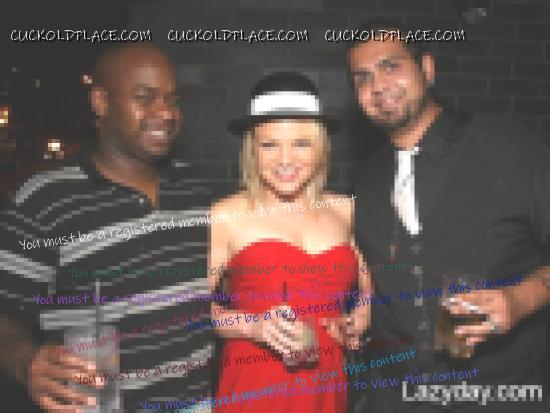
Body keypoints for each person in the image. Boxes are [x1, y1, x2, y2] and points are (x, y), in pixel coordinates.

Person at [0, 44, 215, 412]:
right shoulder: (43, 200)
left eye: (172, 100)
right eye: (144, 97)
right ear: (100, 102)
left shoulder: (195, 190)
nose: (166, 112)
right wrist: (25, 360)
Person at [347, 21, 549, 412]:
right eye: (363, 78)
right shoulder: (365, 178)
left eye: (391, 66)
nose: (378, 85)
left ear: (427, 68)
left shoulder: (508, 147)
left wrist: (521, 299)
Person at [207, 72, 371, 413]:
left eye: (301, 143)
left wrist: (361, 313)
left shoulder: (345, 209)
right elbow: (193, 311)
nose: (285, 160)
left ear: (321, 149)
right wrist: (253, 326)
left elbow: (366, 284)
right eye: (269, 145)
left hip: (327, 387)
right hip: (254, 388)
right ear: (252, 151)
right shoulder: (226, 215)